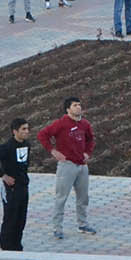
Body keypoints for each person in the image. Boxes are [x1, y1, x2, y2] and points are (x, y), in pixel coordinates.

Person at [38, 97, 97, 239]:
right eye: (75, 105)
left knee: (83, 197)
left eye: (79, 105)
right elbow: (42, 135)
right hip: (67, 166)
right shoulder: (61, 123)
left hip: (82, 166)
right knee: (61, 197)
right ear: (68, 109)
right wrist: (53, 151)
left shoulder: (85, 124)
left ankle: (82, 224)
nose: (78, 107)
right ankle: (57, 227)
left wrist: (87, 153)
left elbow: (90, 139)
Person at [0, 117, 32, 251]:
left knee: (21, 218)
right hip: (11, 188)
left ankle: (17, 244)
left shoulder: (27, 145)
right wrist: (3, 176)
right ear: (15, 131)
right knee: (10, 217)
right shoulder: (7, 147)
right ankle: (6, 245)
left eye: (27, 129)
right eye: (23, 129)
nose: (27, 131)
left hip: (23, 186)